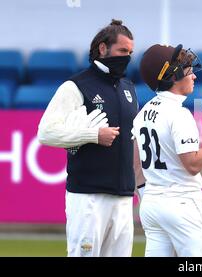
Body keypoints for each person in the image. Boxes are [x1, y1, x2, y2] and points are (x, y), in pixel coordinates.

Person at [38, 19, 143, 257]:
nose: (127, 57)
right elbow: (45, 132)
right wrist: (92, 135)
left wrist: (139, 187)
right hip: (87, 197)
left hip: (124, 198)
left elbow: (132, 141)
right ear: (103, 49)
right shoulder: (75, 86)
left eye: (130, 52)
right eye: (122, 51)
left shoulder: (129, 88)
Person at [134, 44, 202, 257]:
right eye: (188, 70)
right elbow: (192, 164)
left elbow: (136, 163)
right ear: (173, 76)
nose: (194, 76)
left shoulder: (143, 112)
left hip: (152, 203)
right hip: (182, 203)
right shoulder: (178, 114)